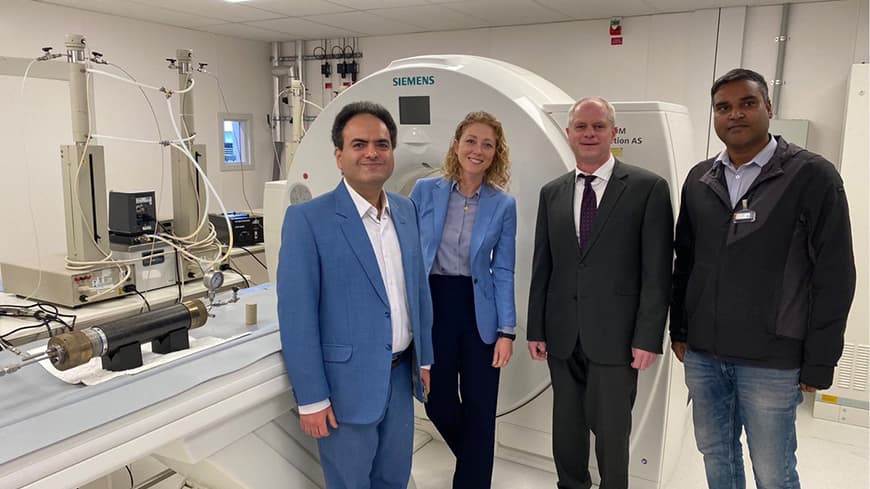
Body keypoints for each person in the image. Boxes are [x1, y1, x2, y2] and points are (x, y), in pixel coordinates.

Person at [670, 68, 856, 489]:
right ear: (714, 116)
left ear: (768, 108)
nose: (735, 114)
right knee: (716, 454)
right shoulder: (700, 179)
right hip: (705, 352)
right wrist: (680, 327)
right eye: (723, 107)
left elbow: (835, 273)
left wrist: (820, 358)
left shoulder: (811, 175)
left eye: (747, 103)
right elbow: (686, 260)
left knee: (772, 470)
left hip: (772, 358)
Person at [276, 101, 434, 489]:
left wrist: (426, 359)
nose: (371, 153)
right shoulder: (308, 220)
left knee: (394, 479)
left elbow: (418, 291)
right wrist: (312, 398)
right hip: (344, 386)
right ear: (339, 155)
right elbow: (297, 318)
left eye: (381, 144)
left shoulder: (406, 209)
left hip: (399, 378)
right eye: (359, 144)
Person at [527, 97, 674, 489]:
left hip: (618, 337)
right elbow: (544, 267)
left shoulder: (647, 188)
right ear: (569, 133)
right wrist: (536, 327)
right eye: (581, 127)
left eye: (597, 126)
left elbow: (657, 273)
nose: (589, 134)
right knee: (567, 429)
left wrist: (648, 337)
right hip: (562, 333)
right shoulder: (552, 192)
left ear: (613, 131)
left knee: (612, 432)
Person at [409, 111, 517, 489]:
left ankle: (471, 482)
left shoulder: (503, 204)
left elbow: (503, 269)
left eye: (487, 144)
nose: (478, 150)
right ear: (456, 144)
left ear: (495, 153)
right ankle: (475, 462)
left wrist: (507, 330)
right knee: (435, 399)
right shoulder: (425, 190)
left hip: (478, 308)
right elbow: (409, 251)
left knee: (480, 405)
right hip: (434, 302)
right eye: (471, 140)